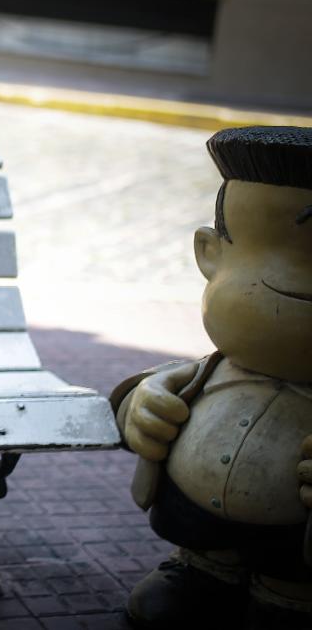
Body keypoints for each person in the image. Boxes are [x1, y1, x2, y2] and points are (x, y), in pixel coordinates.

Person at [111, 126, 312, 629]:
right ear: (210, 254)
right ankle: (203, 572)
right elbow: (149, 389)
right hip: (198, 526)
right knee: (179, 601)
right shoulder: (205, 374)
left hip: (294, 546)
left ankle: (287, 597)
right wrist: (140, 403)